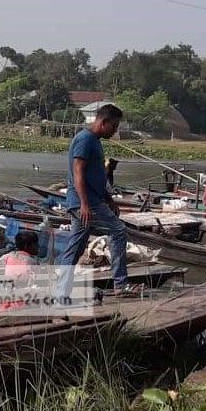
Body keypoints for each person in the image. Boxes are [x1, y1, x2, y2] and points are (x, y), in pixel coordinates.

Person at [55, 104, 128, 305]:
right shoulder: (85, 139)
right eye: (114, 126)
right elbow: (78, 172)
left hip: (90, 200)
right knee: (119, 231)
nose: (115, 131)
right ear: (103, 122)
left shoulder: (94, 141)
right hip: (85, 202)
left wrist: (109, 198)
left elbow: (95, 176)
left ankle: (61, 293)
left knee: (76, 247)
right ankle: (120, 285)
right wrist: (85, 204)